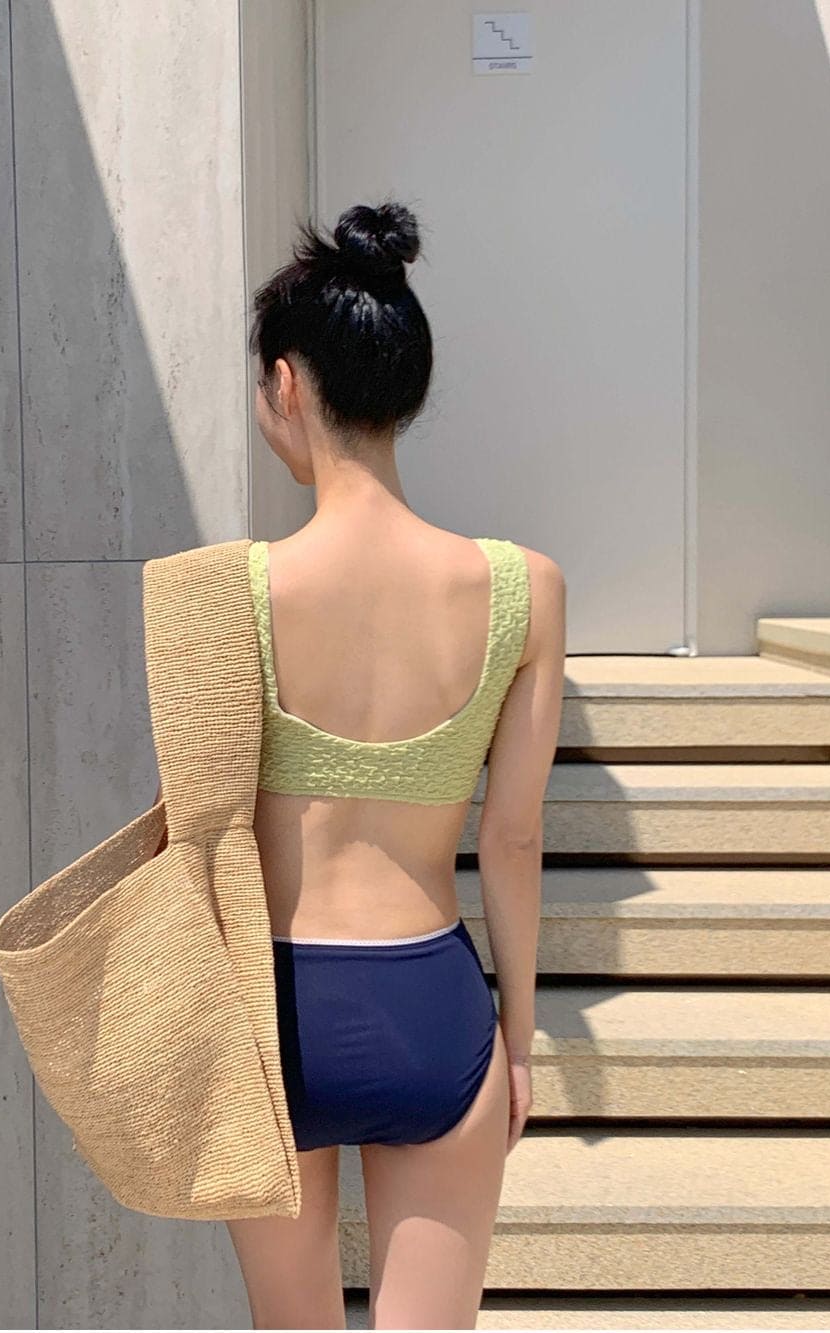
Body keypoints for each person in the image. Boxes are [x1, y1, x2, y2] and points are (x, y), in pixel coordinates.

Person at [225, 200, 566, 1330]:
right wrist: (518, 1039)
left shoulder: (231, 592)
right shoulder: (524, 588)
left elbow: (202, 833)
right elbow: (512, 836)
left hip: (273, 1013)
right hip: (431, 1003)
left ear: (286, 384)